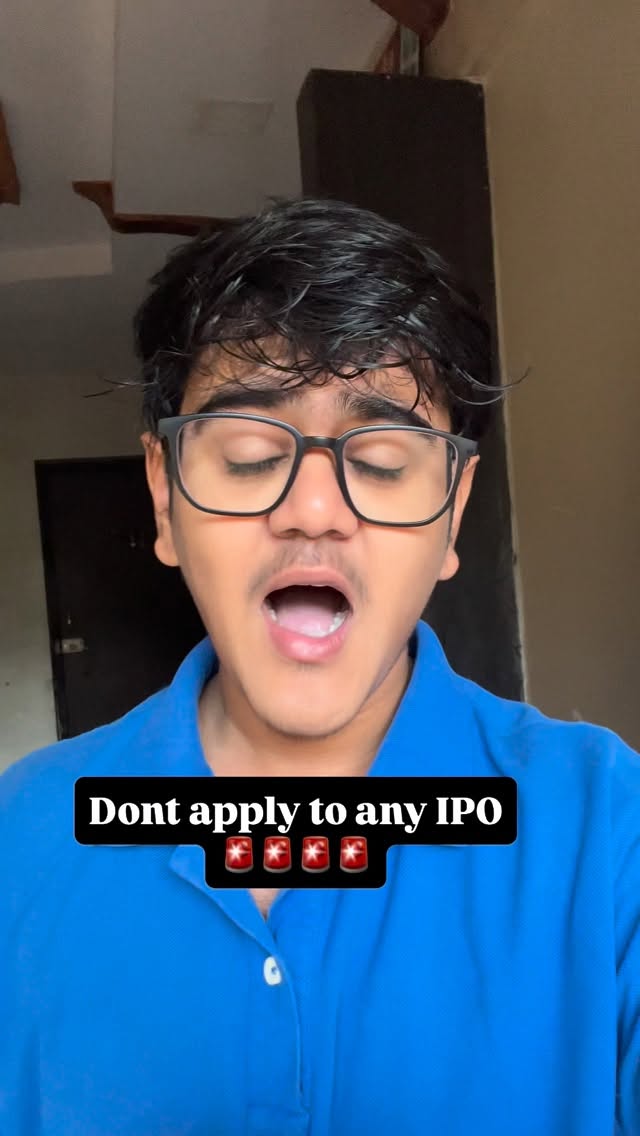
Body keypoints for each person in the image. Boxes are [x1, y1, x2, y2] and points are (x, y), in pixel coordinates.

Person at [1, 198, 638, 1136]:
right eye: (251, 454)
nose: (312, 510)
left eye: (379, 462)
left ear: (452, 513)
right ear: (165, 499)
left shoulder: (607, 828)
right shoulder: (23, 836)